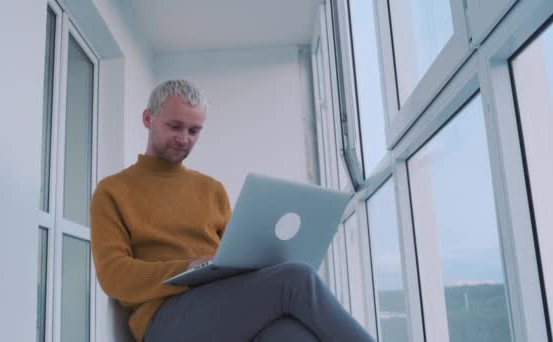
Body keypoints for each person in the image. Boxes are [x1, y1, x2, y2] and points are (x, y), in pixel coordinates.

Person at [90, 80, 374, 342]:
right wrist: (186, 268)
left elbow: (235, 257)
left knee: (291, 334)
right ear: (148, 119)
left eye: (194, 131)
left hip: (223, 306)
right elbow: (113, 276)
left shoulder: (211, 189)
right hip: (163, 320)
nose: (184, 138)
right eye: (174, 126)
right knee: (295, 279)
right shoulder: (112, 191)